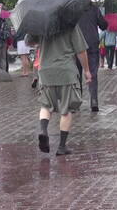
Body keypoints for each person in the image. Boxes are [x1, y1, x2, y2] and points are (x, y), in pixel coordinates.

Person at [27, 26, 92, 156]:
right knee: (66, 108)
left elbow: (29, 42)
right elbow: (81, 50)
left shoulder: (42, 22)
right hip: (65, 71)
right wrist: (86, 70)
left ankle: (44, 130)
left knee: (46, 105)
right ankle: (62, 147)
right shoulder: (70, 23)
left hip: (45, 71)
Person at [77, 2, 108, 111]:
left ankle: (76, 101)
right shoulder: (94, 9)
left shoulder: (72, 8)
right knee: (93, 74)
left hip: (76, 45)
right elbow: (103, 25)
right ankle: (94, 101)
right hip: (92, 45)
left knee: (76, 75)